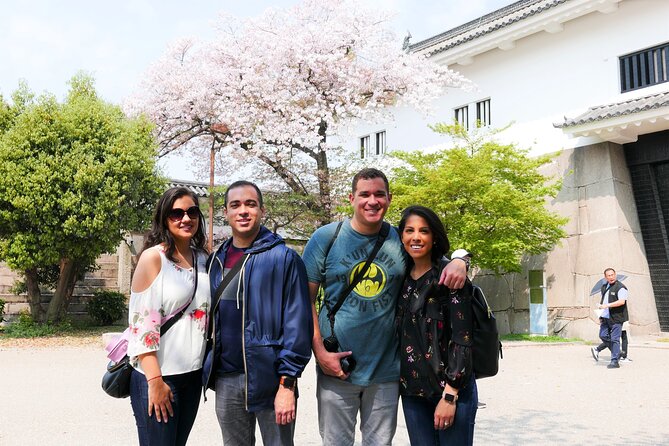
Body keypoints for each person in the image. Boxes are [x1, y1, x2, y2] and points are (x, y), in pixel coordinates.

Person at [302, 168, 467, 446]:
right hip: (337, 367)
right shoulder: (326, 238)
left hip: (387, 371)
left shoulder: (399, 239)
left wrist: (462, 259)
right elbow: (304, 300)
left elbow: (436, 259)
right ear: (351, 198)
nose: (372, 201)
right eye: (364, 194)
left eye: (379, 194)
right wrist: (319, 351)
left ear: (389, 198)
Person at [203, 180, 313, 446]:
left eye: (250, 204)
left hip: (271, 379)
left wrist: (287, 383)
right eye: (235, 205)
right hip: (227, 378)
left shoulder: (283, 258)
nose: (243, 211)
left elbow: (298, 324)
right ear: (226, 213)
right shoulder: (215, 260)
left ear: (262, 210)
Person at [127, 187, 211, 446]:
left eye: (192, 212)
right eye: (176, 213)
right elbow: (142, 327)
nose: (186, 219)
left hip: (193, 375)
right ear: (164, 218)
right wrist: (155, 381)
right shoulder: (154, 258)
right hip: (159, 375)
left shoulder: (203, 259)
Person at [396, 205, 478, 445]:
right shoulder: (399, 277)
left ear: (434, 237)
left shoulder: (450, 276)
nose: (416, 237)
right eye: (409, 230)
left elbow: (463, 339)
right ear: (401, 237)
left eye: (424, 231)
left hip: (452, 392)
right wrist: (463, 258)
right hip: (412, 392)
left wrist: (450, 396)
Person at [590, 268, 628, 369]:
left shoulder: (621, 287)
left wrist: (607, 305)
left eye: (612, 275)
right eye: (609, 276)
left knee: (615, 339)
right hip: (605, 317)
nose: (611, 277)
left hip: (617, 317)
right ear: (605, 277)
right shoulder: (604, 287)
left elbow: (621, 302)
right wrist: (601, 314)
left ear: (615, 275)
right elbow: (603, 301)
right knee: (603, 335)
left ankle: (614, 361)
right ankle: (618, 352)